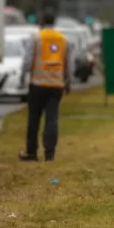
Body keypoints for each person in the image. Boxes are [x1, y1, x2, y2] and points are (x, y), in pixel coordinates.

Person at [19, 11, 72, 162]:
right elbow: (68, 63)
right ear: (54, 22)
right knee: (52, 119)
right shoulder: (63, 40)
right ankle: (50, 154)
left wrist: (23, 77)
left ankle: (31, 153)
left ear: (41, 21)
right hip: (56, 86)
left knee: (34, 119)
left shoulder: (35, 38)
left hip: (37, 84)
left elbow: (28, 60)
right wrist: (68, 82)